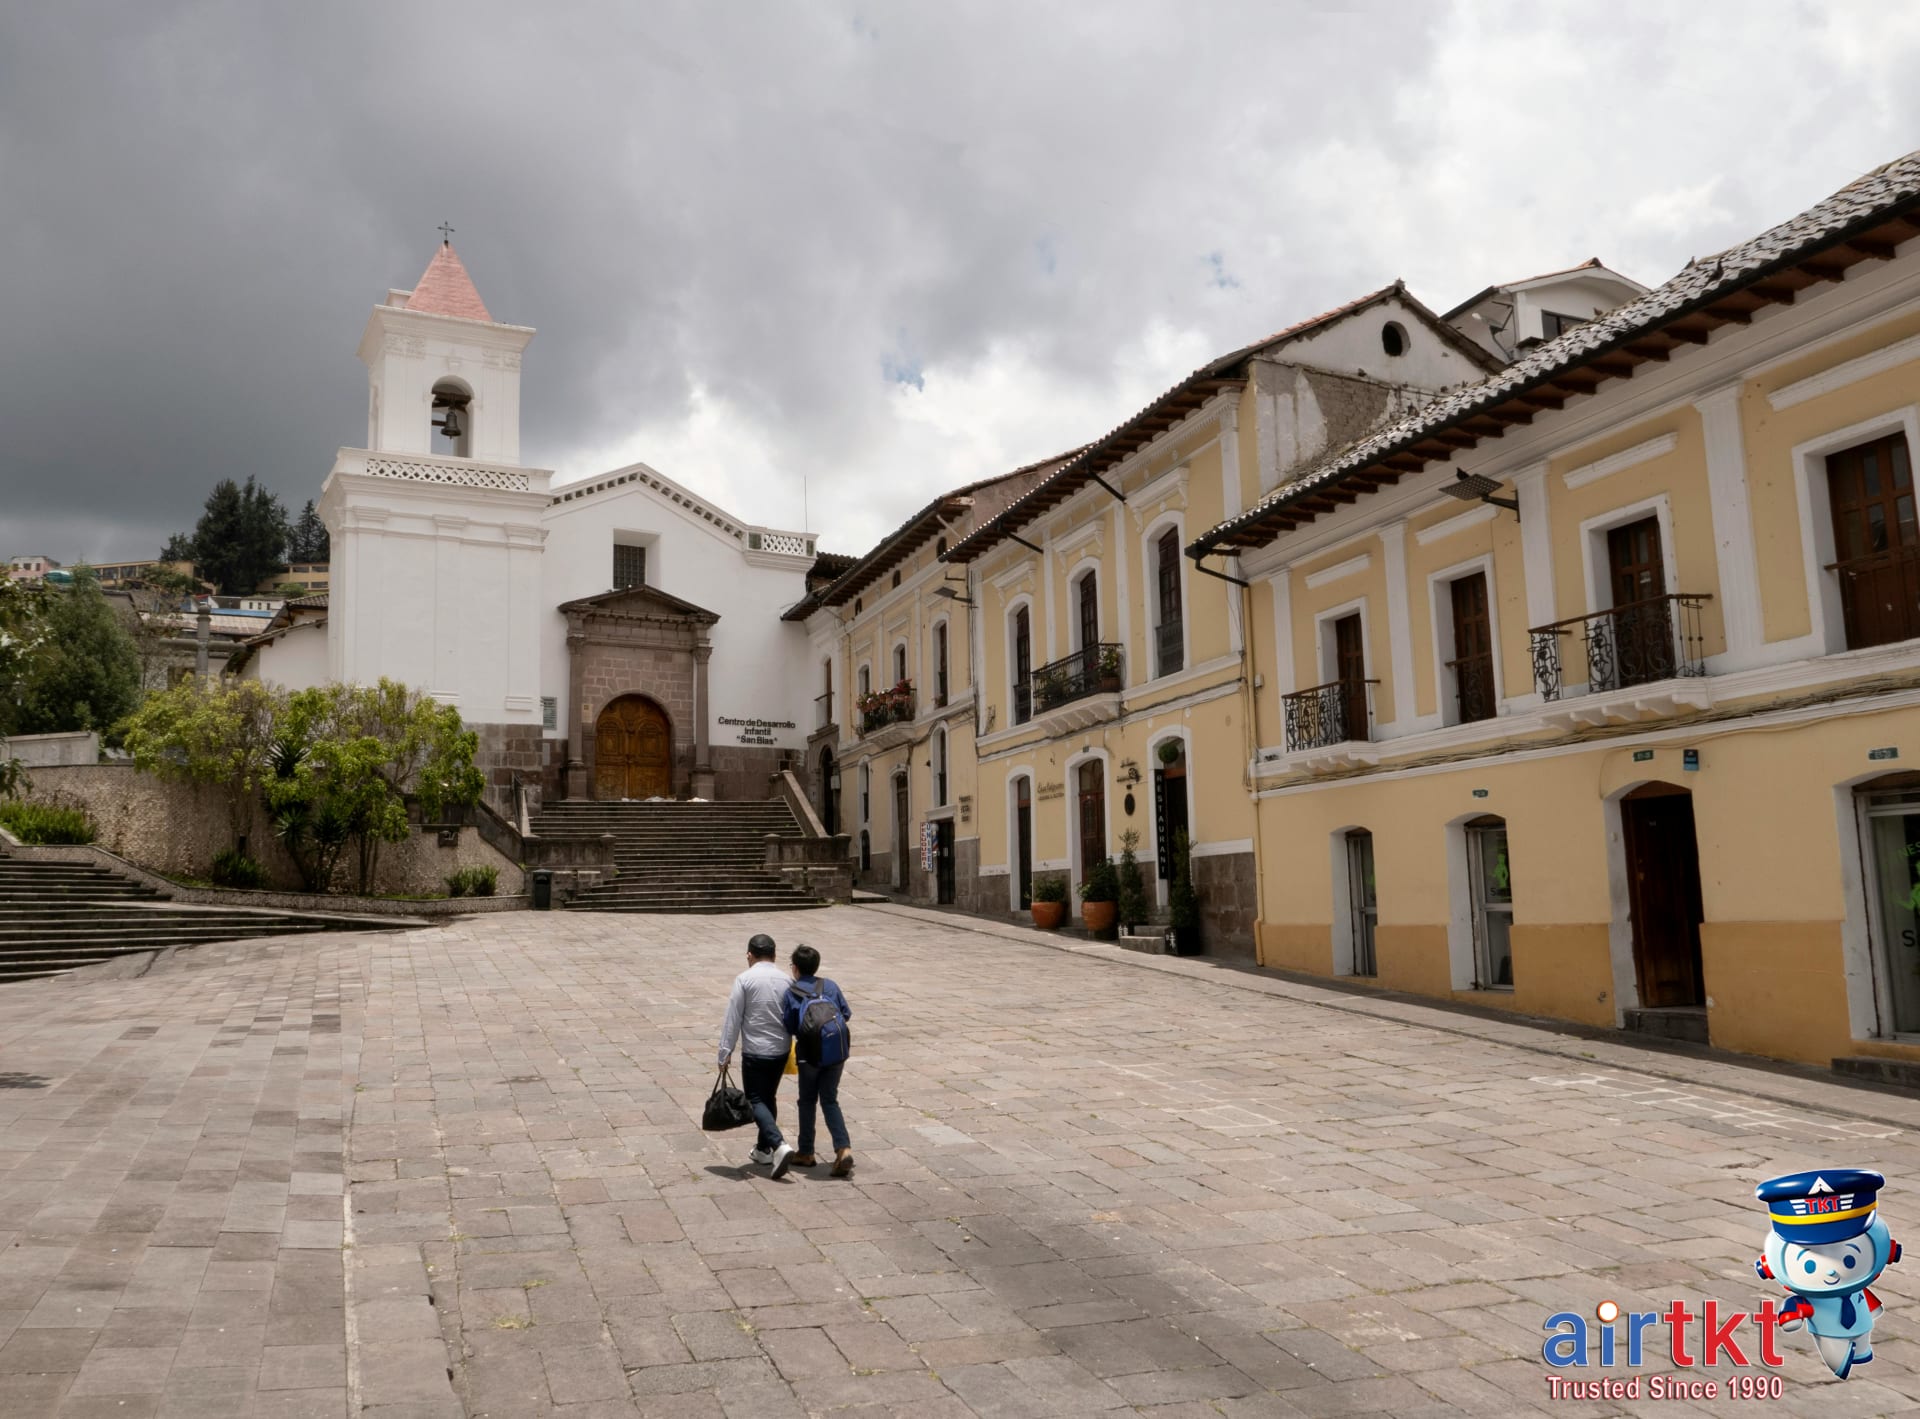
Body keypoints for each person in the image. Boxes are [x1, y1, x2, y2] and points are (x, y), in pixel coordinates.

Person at [716, 933, 794, 1178]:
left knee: (755, 1099)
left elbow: (733, 1017)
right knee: (768, 1097)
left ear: (750, 955)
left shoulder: (744, 979)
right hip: (781, 1050)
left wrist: (724, 1052)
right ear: (774, 955)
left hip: (756, 1050)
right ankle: (763, 1150)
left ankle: (778, 1144)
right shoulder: (787, 980)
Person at [783, 943, 854, 1177]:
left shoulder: (792, 992)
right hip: (836, 1052)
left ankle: (806, 1152)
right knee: (830, 1100)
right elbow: (846, 1014)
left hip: (810, 1055)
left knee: (807, 1101)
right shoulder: (830, 986)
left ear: (795, 969)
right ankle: (843, 1148)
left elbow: (791, 1026)